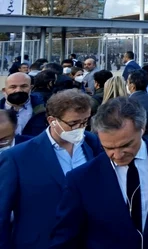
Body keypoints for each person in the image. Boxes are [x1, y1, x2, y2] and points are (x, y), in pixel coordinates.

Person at [49, 97, 148, 249]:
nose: (118, 155)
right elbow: (66, 236)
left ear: (142, 128)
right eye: (108, 148)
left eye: (126, 145)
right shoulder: (81, 178)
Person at [0, 91, 102, 249]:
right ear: (52, 121)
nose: (80, 128)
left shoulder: (92, 144)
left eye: (85, 121)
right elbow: (2, 213)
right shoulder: (16, 157)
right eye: (73, 123)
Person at [1, 72, 47, 138]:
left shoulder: (44, 109)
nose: (18, 90)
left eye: (23, 86)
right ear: (4, 90)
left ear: (31, 88)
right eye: (13, 87)